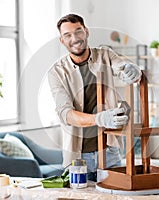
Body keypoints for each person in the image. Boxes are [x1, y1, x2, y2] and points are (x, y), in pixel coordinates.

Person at [48, 14, 141, 181]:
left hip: (109, 151)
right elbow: (65, 114)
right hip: (77, 157)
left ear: (86, 32)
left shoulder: (105, 55)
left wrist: (133, 70)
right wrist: (99, 119)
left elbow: (121, 67)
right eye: (67, 35)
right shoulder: (56, 72)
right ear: (61, 40)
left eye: (78, 31)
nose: (75, 39)